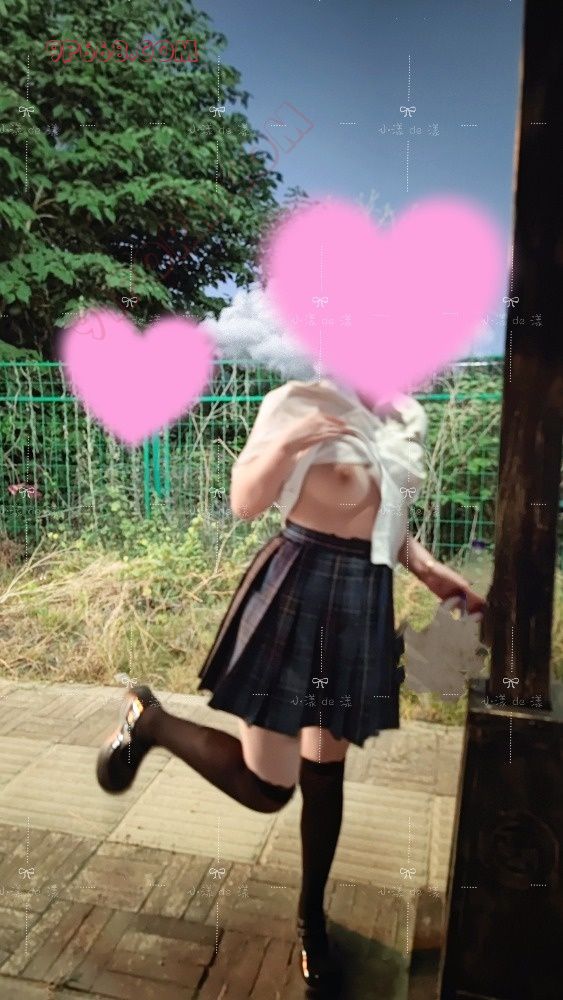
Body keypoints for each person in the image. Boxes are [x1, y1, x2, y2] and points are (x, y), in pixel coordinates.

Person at [96, 375, 485, 994]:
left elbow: (386, 521)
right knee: (268, 789)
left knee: (325, 773)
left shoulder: (404, 415)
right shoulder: (296, 401)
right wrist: (290, 441)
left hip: (361, 600)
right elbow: (245, 502)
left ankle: (312, 921)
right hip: (295, 591)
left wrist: (430, 570)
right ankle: (152, 722)